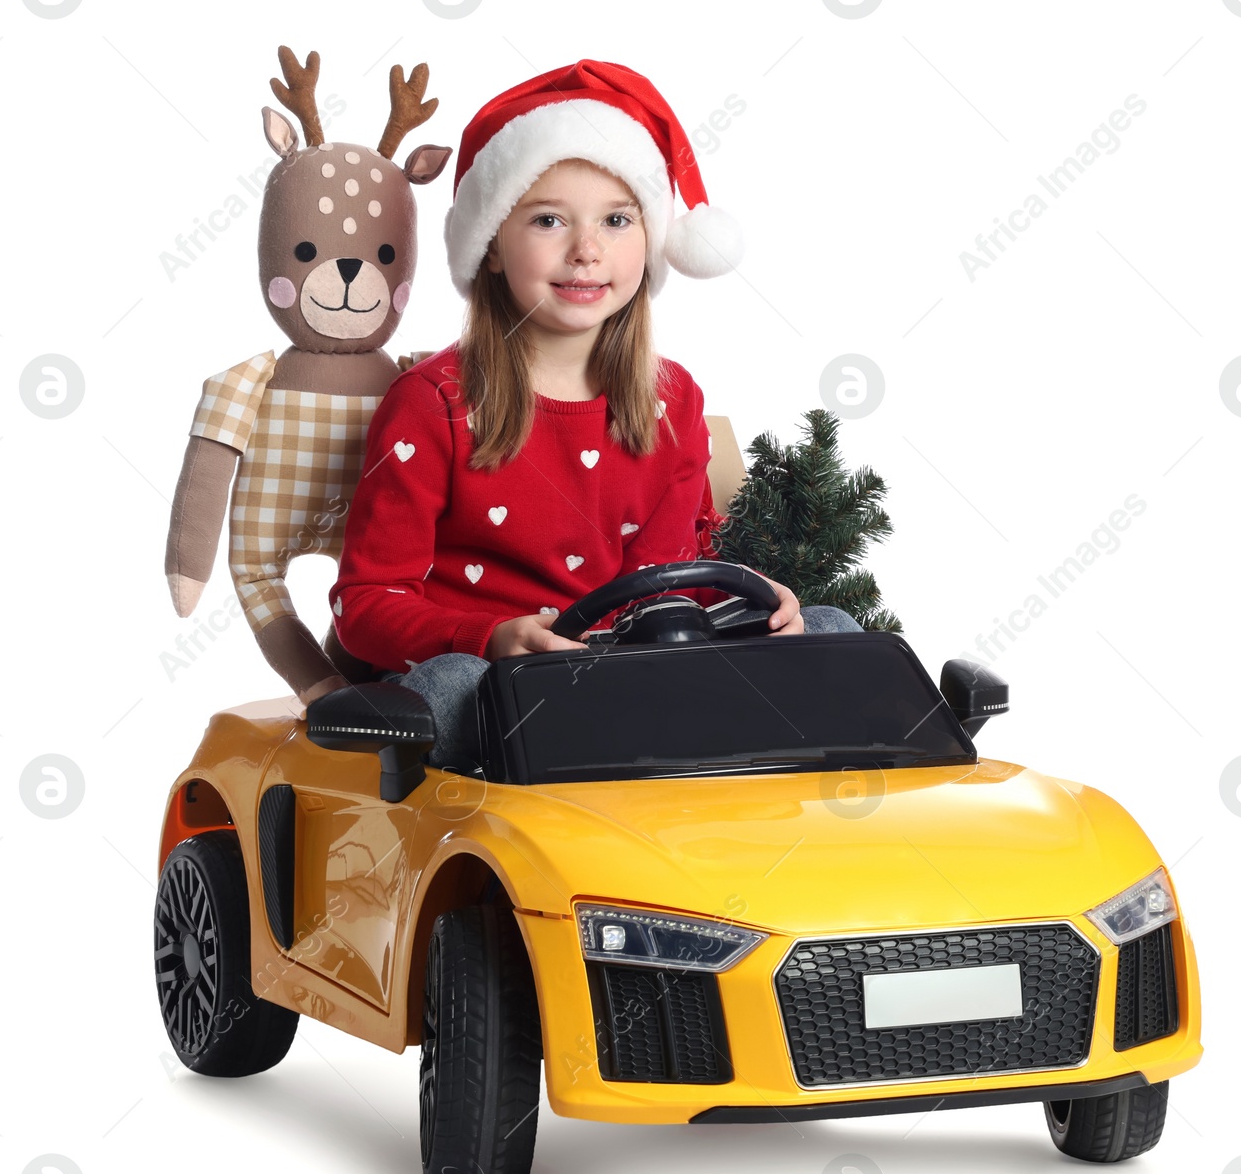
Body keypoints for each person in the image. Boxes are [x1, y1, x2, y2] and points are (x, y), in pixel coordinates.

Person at [329, 60, 860, 771]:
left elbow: (675, 578)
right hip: (510, 690)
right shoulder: (434, 404)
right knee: (452, 689)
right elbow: (365, 604)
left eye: (617, 219)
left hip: (637, 677)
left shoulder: (673, 401)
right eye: (549, 219)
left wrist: (764, 601)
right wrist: (490, 637)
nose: (587, 249)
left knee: (830, 628)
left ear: (650, 239)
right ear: (490, 247)